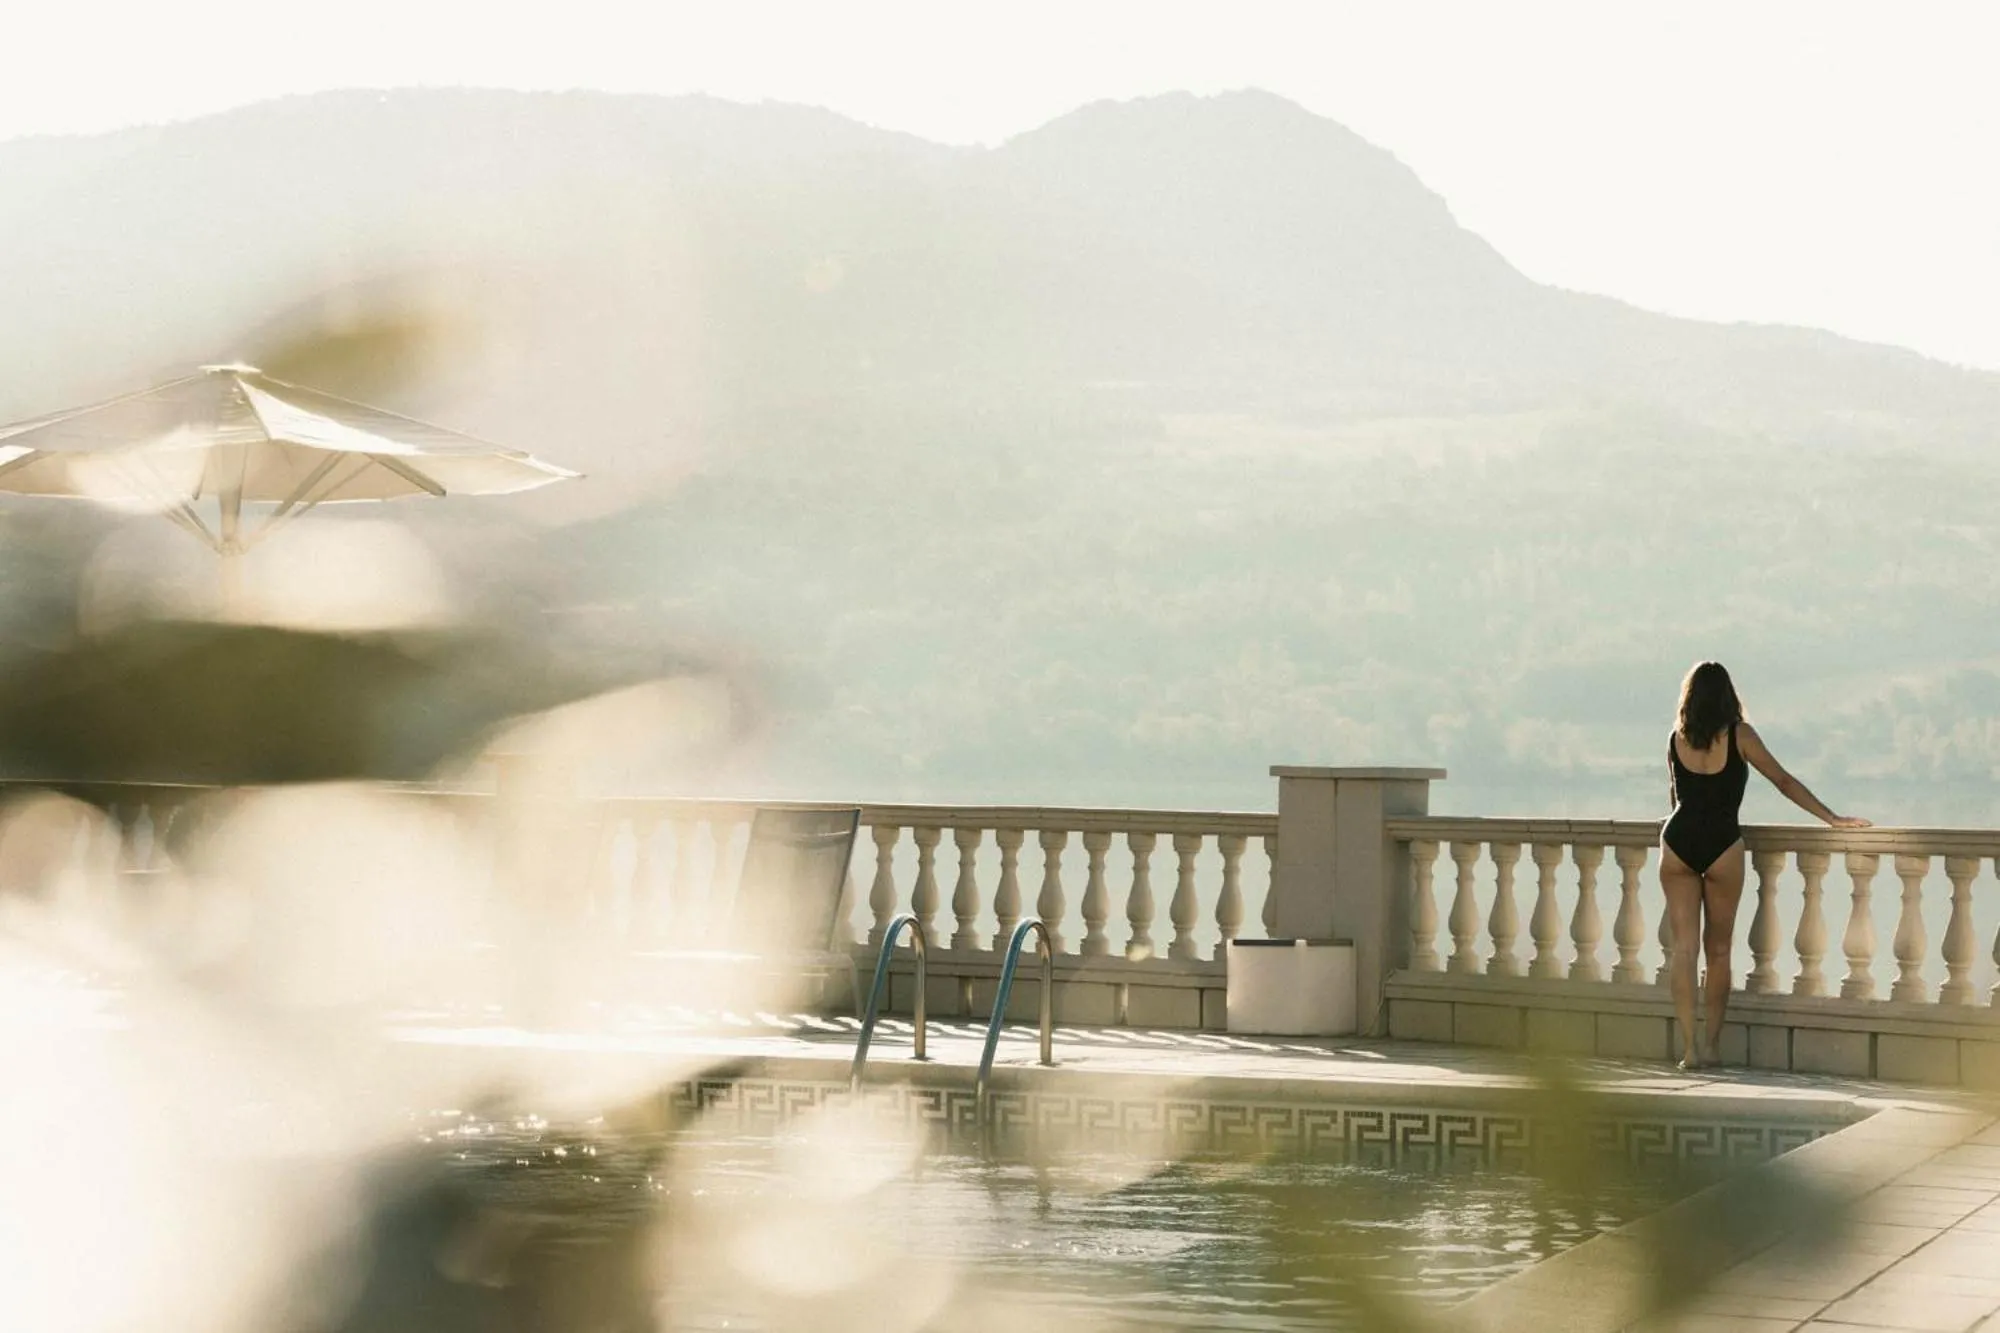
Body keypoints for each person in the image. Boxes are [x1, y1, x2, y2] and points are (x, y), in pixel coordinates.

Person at [1661, 662, 1869, 1070]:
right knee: (1718, 951)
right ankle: (1712, 1045)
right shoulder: (1739, 734)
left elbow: (1676, 794)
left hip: (1678, 840)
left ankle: (1689, 1050)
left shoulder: (1676, 738)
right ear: (1728, 695)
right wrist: (1832, 818)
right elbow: (1784, 782)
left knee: (1683, 951)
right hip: (1722, 843)